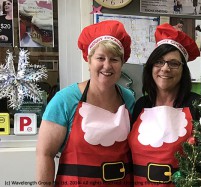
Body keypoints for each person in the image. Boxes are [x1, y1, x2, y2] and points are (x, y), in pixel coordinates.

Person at [36, 20, 135, 187]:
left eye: (114, 59)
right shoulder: (65, 100)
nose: (107, 65)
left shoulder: (129, 99)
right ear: (89, 61)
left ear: (122, 63)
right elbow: (44, 154)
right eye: (100, 58)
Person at [128, 23, 201, 187]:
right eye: (159, 62)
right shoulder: (141, 105)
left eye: (174, 63)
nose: (165, 68)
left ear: (183, 71)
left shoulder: (197, 105)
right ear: (151, 67)